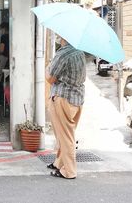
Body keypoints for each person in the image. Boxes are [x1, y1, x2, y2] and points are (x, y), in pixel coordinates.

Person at [45, 35, 86, 180]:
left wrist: (48, 67)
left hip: (63, 99)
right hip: (77, 99)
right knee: (66, 134)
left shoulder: (63, 53)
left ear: (63, 37)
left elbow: (50, 78)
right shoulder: (80, 52)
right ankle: (58, 163)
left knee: (65, 137)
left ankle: (69, 171)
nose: (57, 37)